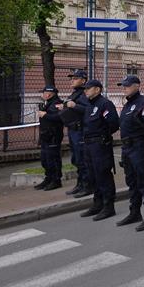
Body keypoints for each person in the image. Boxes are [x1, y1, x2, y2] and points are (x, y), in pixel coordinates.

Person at [116, 75, 144, 231]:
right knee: (132, 181)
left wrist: (140, 130)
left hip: (139, 146)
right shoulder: (128, 105)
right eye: (124, 86)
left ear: (137, 86)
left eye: (127, 86)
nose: (124, 88)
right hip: (127, 148)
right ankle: (134, 212)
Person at [77, 80, 120, 221]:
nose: (85, 91)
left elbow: (113, 124)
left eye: (88, 89)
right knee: (92, 174)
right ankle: (97, 203)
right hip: (88, 144)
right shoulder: (89, 105)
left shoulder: (104, 104)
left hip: (100, 145)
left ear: (97, 89)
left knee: (103, 174)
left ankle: (108, 206)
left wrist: (103, 135)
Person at [57, 69, 92, 198]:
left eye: (75, 78)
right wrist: (64, 106)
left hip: (80, 130)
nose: (72, 80)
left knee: (82, 159)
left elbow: (88, 110)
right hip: (73, 130)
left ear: (83, 81)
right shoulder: (74, 94)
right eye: (72, 78)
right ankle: (80, 183)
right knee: (76, 159)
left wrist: (73, 106)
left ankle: (87, 185)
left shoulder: (83, 94)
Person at [36, 86, 64, 191]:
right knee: (45, 159)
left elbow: (59, 117)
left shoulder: (57, 103)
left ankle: (56, 180)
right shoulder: (48, 103)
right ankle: (49, 178)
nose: (42, 95)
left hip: (53, 136)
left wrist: (45, 115)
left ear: (49, 93)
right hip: (46, 135)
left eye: (44, 92)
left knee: (53, 159)